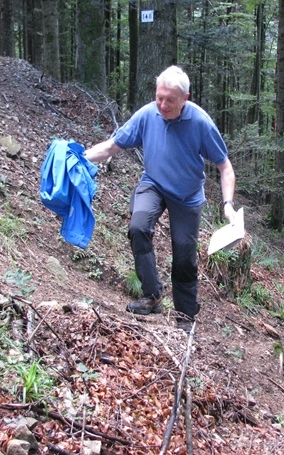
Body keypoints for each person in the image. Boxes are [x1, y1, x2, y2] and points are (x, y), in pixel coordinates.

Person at [84, 65, 236, 332]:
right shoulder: (147, 114)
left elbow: (225, 167)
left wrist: (228, 206)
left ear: (185, 99)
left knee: (184, 256)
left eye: (170, 100)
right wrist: (80, 158)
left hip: (187, 196)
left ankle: (185, 316)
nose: (163, 105)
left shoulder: (200, 123)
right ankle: (152, 295)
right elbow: (112, 146)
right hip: (153, 183)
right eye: (159, 97)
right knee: (138, 227)